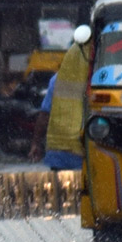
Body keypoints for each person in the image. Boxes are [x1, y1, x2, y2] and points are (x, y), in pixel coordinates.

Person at [27, 41, 89, 171]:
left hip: (58, 150)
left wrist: (35, 144)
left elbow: (44, 115)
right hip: (85, 150)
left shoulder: (57, 79)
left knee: (61, 189)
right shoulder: (97, 80)